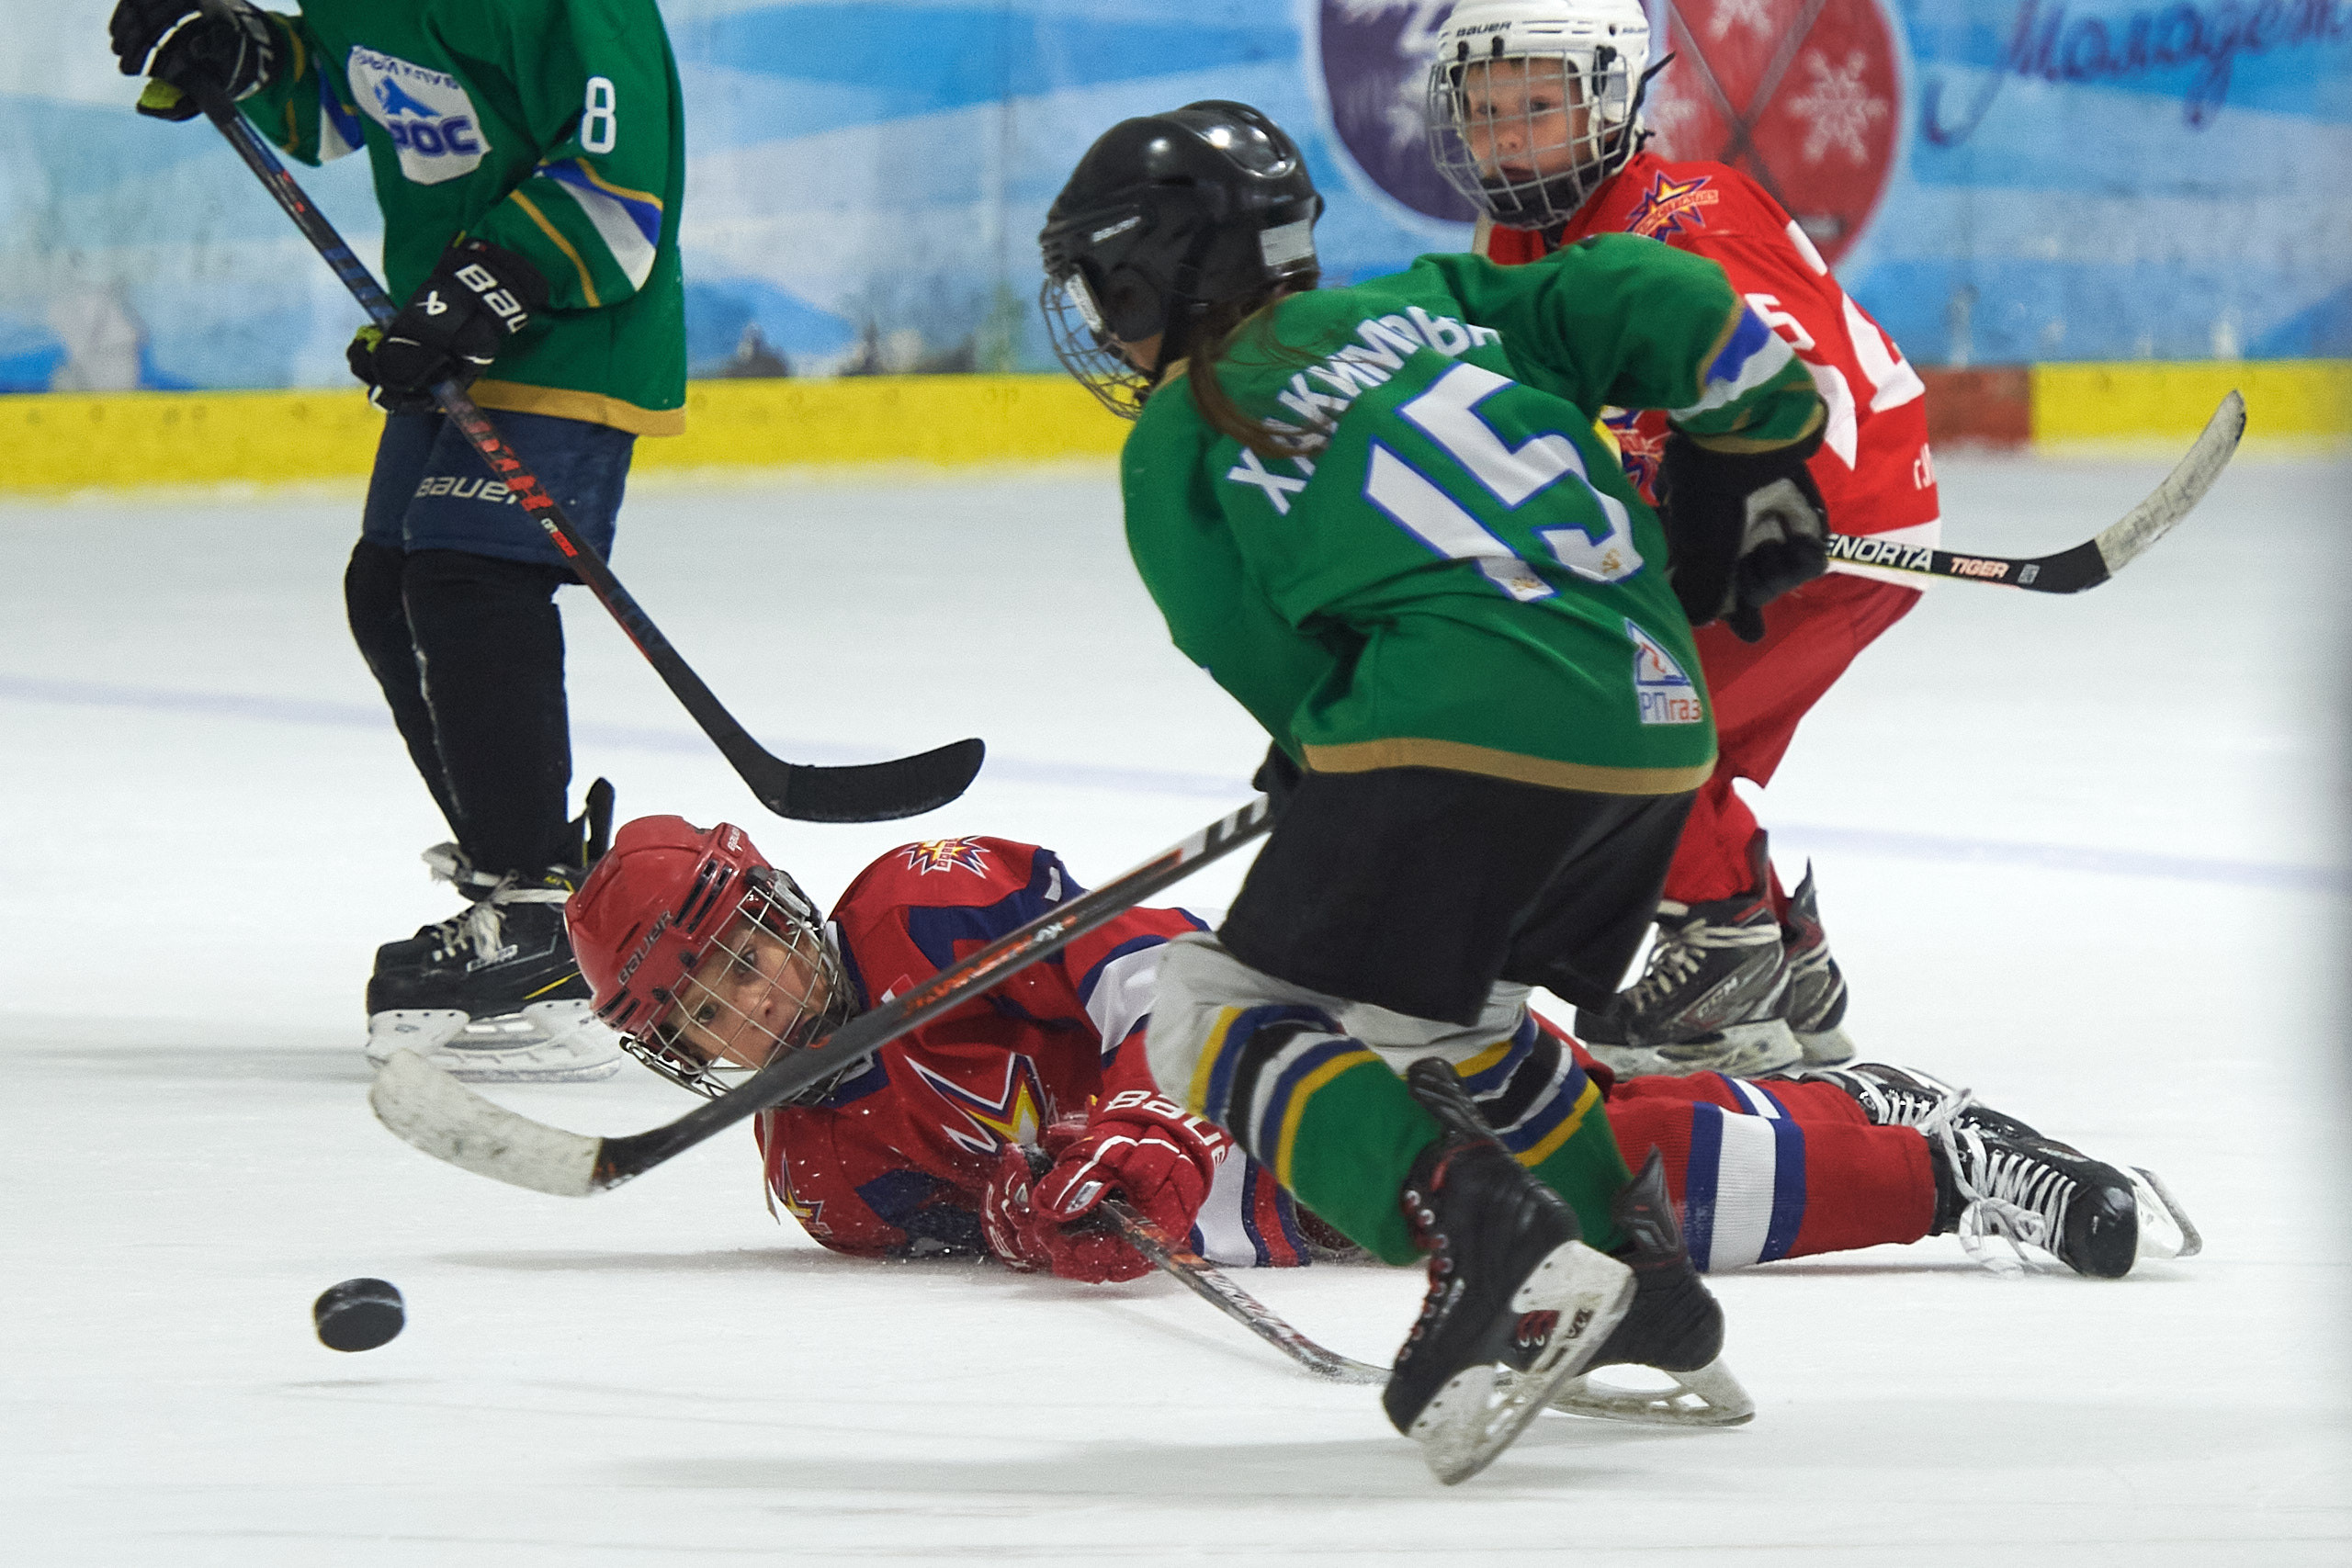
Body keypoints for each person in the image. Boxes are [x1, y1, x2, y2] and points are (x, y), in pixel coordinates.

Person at [1035, 98, 1839, 1481]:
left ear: (1149, 272)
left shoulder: (1180, 432)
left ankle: (1481, 1230)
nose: (1104, 325)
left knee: (1210, 1011)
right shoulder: (1443, 299)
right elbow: (1651, 286)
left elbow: (1272, 661)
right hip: (1654, 728)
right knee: (1445, 1017)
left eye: (1106, 287)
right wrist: (1754, 444)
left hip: (1456, 724)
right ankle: (1642, 1277)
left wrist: (1320, 752)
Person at [563, 816, 2197, 1289]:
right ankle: (1862, 1128)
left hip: (1269, 1047)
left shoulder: (920, 906)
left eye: (738, 959)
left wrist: (1132, 1119)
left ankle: (1942, 1162)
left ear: (772, 900)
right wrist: (1035, 1217)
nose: (747, 1016)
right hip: (1247, 1204)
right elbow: (979, 1217)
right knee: (1562, 1197)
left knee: (1576, 1151)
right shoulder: (818, 1173)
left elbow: (1146, 971)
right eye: (696, 1016)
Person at [108, 0, 687, 1082]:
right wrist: (249, 51)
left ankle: (535, 927)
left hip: (575, 330)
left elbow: (621, 190)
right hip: (447, 330)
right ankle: (532, 884)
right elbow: (344, 101)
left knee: (470, 581)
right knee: (388, 592)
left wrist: (490, 283)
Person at [1425, 0, 1941, 1079]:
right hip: (1701, 519)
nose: (1509, 138)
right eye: (1486, 112)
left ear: (1610, 102)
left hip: (1810, 526)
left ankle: (1726, 948)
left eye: (1538, 108)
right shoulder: (1521, 238)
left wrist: (1748, 478)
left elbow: (1793, 379)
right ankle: (1780, 958)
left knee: (1606, 712)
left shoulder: (1683, 212)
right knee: (1629, 702)